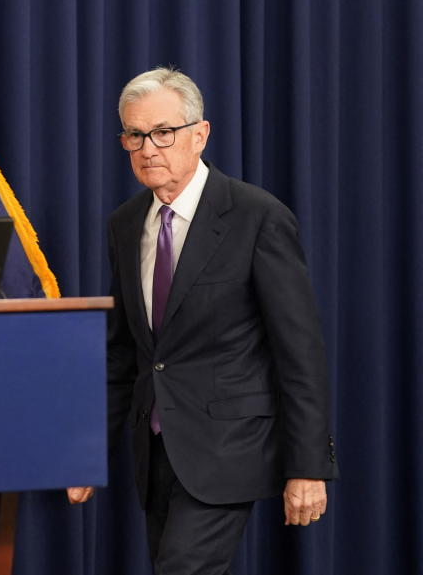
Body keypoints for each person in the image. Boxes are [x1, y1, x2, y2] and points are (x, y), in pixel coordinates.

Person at [67, 67, 338, 574]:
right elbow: (122, 352)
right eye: (135, 136)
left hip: (227, 449)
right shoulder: (126, 224)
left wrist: (307, 467)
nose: (149, 149)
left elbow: (299, 351)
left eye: (163, 133)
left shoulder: (256, 216)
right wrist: (86, 451)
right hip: (155, 452)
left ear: (200, 134)